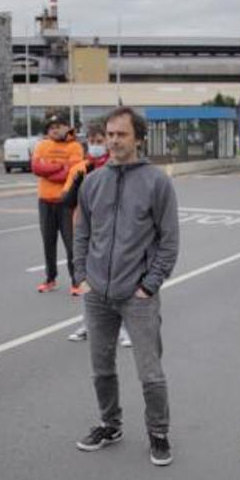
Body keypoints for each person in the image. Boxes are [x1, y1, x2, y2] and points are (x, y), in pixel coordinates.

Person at [72, 106, 180, 466]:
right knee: (101, 368)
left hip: (138, 296)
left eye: (121, 134)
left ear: (138, 138)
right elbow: (82, 232)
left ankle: (159, 433)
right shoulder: (93, 182)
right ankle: (110, 424)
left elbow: (169, 241)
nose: (113, 141)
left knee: (150, 372)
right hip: (97, 294)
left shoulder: (157, 182)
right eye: (110, 134)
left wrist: (149, 286)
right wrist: (81, 276)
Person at [62, 122, 131, 348]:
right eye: (91, 142)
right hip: (87, 234)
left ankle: (124, 328)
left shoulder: (117, 168)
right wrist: (78, 183)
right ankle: (88, 324)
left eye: (99, 142)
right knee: (88, 283)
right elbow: (68, 202)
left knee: (116, 282)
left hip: (113, 235)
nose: (95, 146)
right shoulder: (82, 168)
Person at [31, 112, 85, 294]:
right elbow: (37, 168)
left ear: (66, 128)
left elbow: (72, 172)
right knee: (48, 241)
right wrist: (60, 166)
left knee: (71, 243)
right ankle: (50, 278)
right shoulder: (42, 145)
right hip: (45, 201)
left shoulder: (75, 147)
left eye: (58, 127)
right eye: (51, 128)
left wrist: (50, 167)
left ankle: (76, 281)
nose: (54, 130)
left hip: (66, 201)